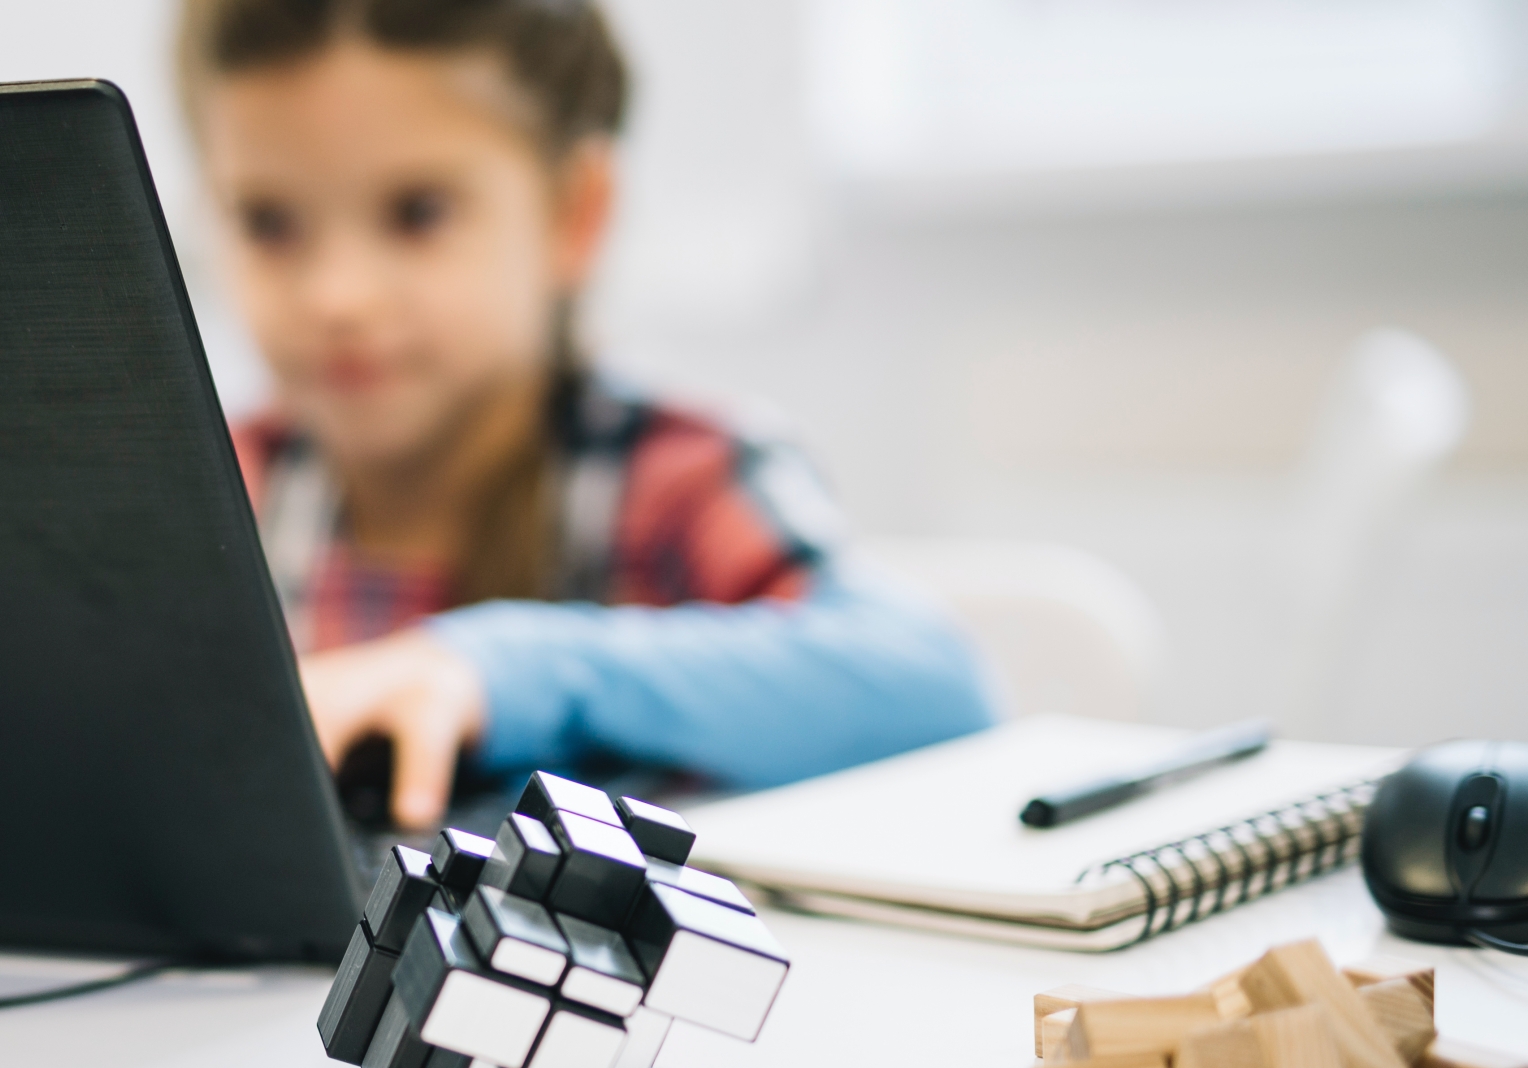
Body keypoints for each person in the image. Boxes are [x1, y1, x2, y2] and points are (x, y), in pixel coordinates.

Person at [178, 0, 994, 830]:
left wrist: (509, 669)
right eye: (268, 222)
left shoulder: (679, 477)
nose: (336, 296)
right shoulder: (209, 489)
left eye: (417, 213)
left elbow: (932, 685)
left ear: (577, 213)